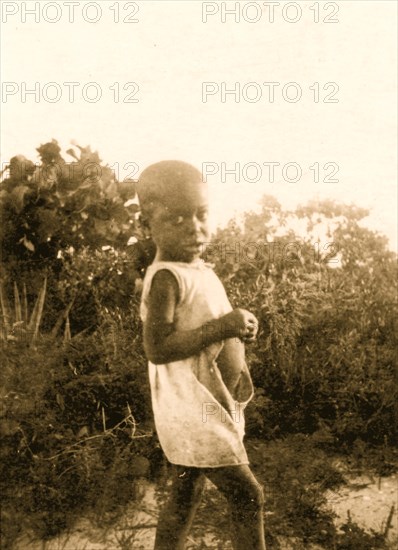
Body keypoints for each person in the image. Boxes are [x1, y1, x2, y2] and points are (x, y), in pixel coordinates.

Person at [137, 160, 266, 550]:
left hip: (207, 403)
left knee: (184, 492)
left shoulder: (199, 271)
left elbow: (210, 325)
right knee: (248, 496)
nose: (193, 226)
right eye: (177, 218)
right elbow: (157, 348)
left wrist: (240, 334)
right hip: (191, 408)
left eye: (201, 214)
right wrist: (226, 327)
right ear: (147, 224)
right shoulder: (166, 277)